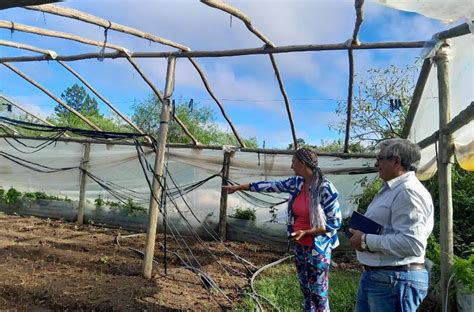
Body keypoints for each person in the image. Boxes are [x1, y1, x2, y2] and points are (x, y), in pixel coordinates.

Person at [223, 148, 341, 312]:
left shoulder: (325, 188)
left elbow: (335, 222)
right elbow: (271, 186)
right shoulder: (296, 183)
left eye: (293, 162)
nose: (291, 166)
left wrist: (306, 233)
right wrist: (240, 187)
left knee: (319, 293)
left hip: (318, 248)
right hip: (300, 246)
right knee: (306, 290)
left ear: (303, 164)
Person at [349, 138, 434, 312]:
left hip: (395, 281)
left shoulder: (407, 191)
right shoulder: (393, 189)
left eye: (380, 158)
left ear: (395, 160)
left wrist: (365, 240)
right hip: (382, 278)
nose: (376, 163)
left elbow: (413, 244)